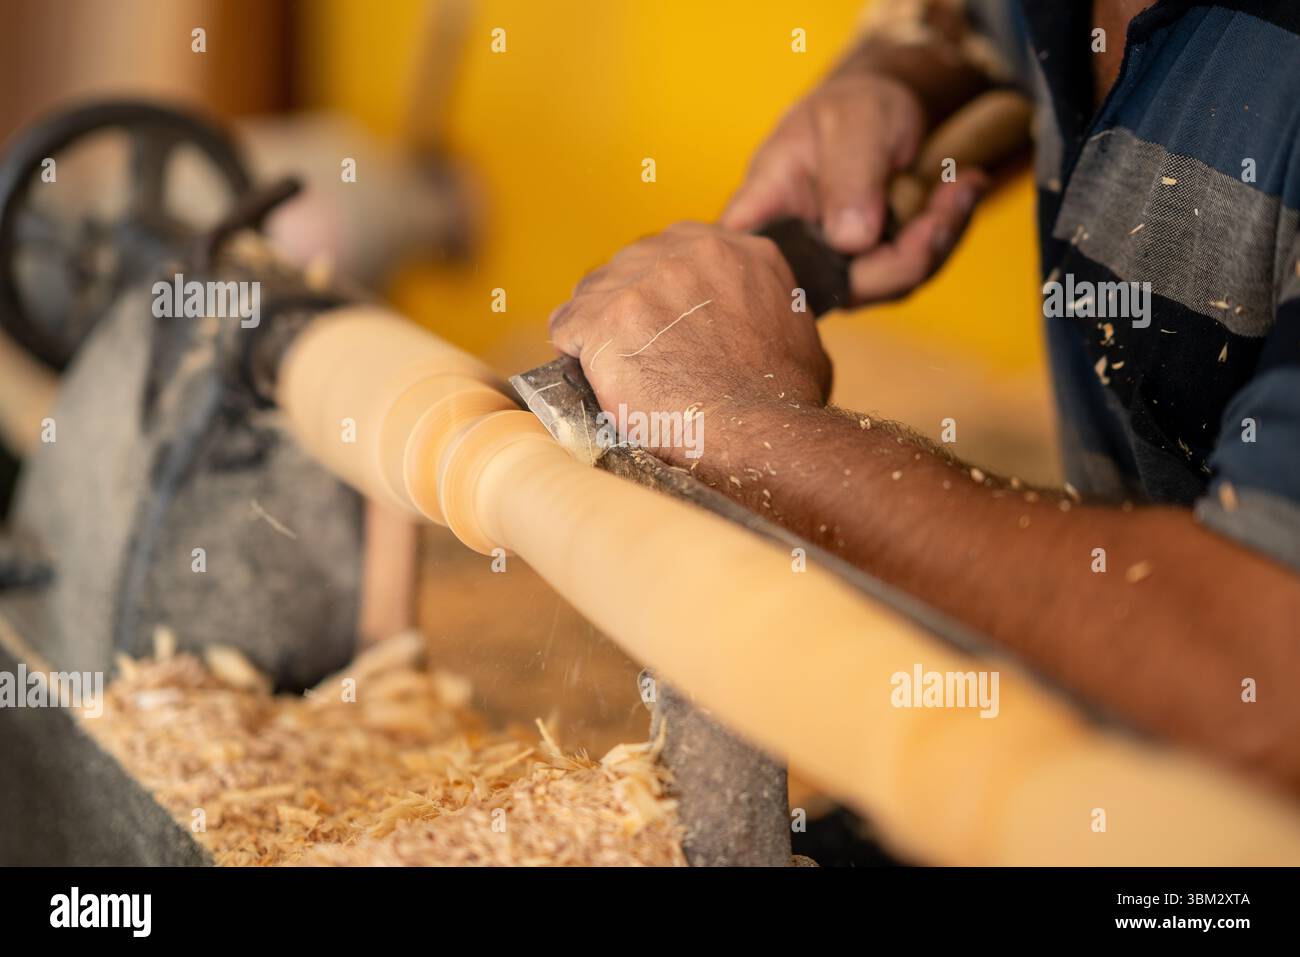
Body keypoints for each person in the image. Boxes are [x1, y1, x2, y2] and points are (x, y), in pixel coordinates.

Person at [546, 1, 1300, 793]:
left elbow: (1267, 675)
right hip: (1114, 749)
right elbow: (987, 28)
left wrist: (755, 428)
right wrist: (898, 77)